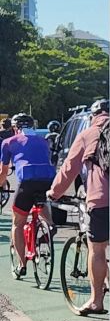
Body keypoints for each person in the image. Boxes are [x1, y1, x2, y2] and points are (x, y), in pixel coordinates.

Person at [48, 99, 110, 315]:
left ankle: (96, 301)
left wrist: (54, 193)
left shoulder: (87, 134)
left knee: (97, 248)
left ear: (94, 116)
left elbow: (69, 169)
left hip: (103, 198)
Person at [0, 114, 57, 276]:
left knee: (18, 223)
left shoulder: (9, 142)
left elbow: (3, 173)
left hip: (27, 180)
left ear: (14, 128)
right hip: (48, 178)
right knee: (42, 202)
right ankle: (49, 225)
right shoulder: (44, 141)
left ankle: (21, 264)